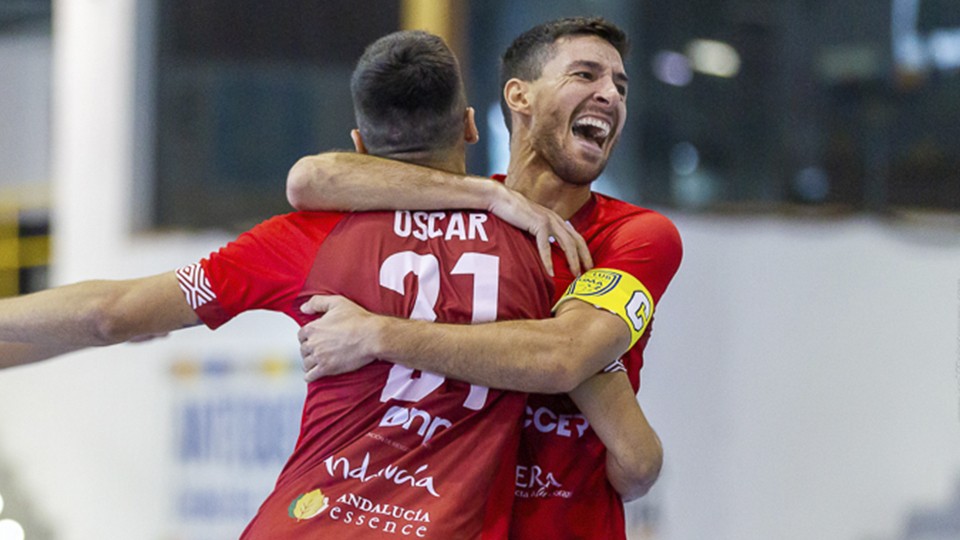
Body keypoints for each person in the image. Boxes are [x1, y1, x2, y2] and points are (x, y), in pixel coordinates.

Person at [0, 30, 578, 539]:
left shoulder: (305, 237)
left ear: (358, 143)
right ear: (472, 127)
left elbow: (110, 315)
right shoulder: (537, 245)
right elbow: (627, 451)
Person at [289, 16, 682, 540]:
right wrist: (489, 196)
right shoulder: (461, 211)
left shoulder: (638, 234)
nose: (610, 94)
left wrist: (375, 334)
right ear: (519, 95)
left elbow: (563, 357)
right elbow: (310, 180)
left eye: (620, 85)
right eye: (586, 75)